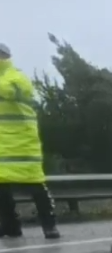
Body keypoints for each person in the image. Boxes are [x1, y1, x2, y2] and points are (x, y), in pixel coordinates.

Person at [0, 43, 60, 239]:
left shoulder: (18, 77)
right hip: (2, 145)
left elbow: (11, 92)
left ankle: (49, 225)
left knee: (35, 185)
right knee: (1, 187)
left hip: (23, 143)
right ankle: (11, 226)